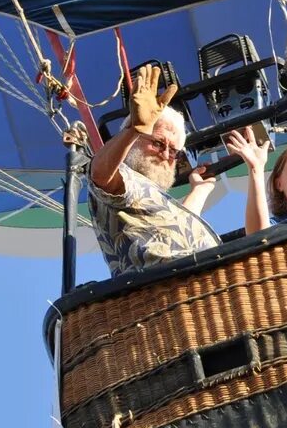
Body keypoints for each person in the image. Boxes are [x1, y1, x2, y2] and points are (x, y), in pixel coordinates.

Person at [87, 64, 219, 277]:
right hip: (165, 290)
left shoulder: (150, 198)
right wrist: (134, 129)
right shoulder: (123, 178)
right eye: (158, 143)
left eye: (174, 151)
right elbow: (100, 175)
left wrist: (199, 191)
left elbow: (176, 227)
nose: (166, 154)